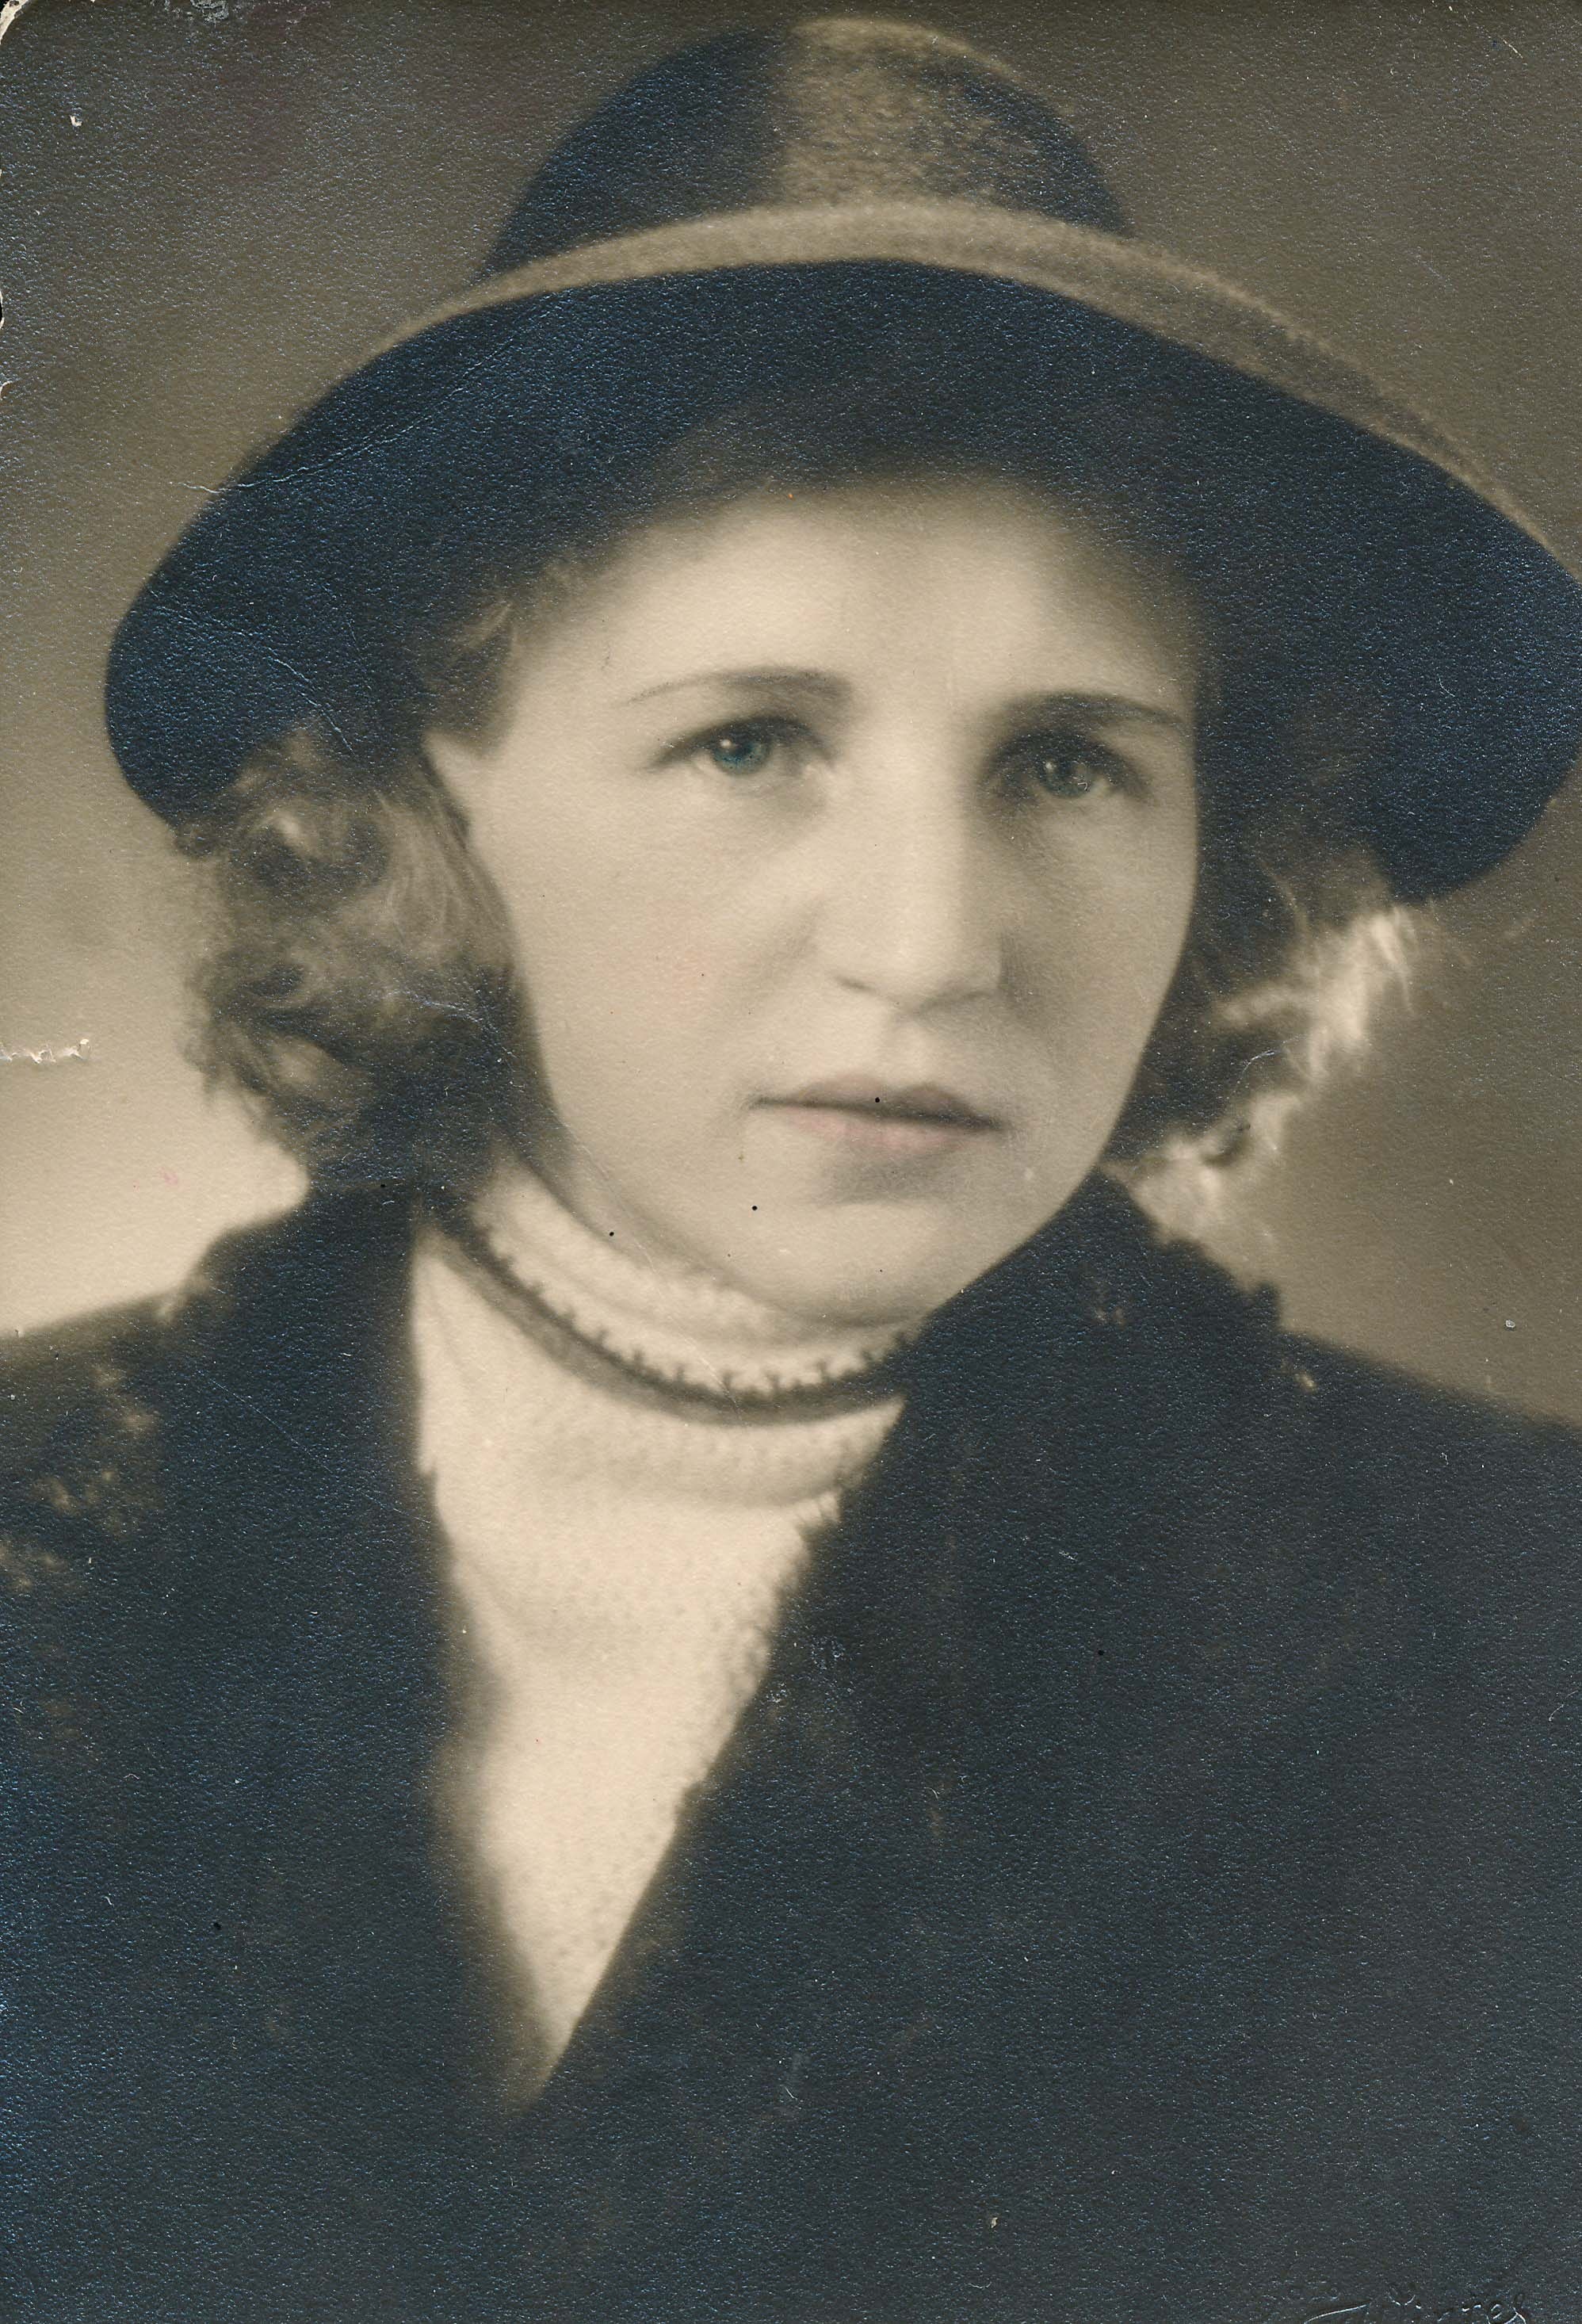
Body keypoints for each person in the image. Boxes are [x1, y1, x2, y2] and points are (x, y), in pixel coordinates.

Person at [6, 18, 1582, 2323]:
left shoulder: (1521, 1633)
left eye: (1069, 763)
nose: (929, 947)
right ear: (440, 788)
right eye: (750, 741)